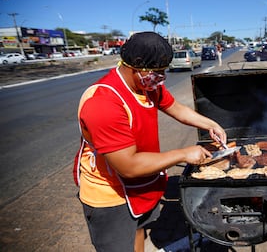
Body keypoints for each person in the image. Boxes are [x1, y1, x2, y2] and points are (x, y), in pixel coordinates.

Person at [73, 31, 227, 252]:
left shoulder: (147, 86)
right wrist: (184, 154)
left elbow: (175, 108)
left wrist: (210, 124)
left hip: (143, 182)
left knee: (139, 230)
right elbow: (129, 166)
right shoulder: (104, 103)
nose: (162, 77)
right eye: (158, 71)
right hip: (111, 196)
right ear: (136, 66)